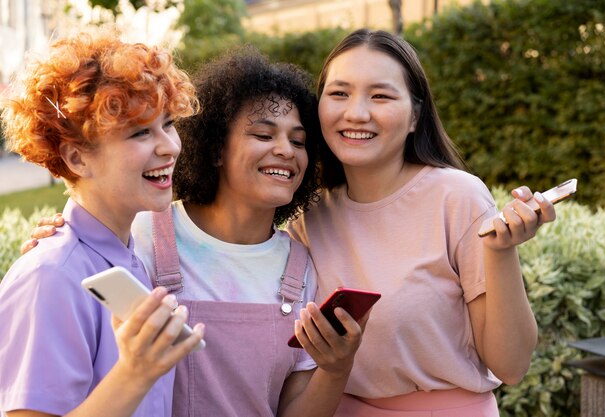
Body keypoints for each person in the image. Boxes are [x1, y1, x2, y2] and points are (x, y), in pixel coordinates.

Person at [21, 46, 366, 417]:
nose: (285, 150)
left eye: (298, 142)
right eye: (263, 136)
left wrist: (336, 369)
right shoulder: (139, 238)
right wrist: (65, 242)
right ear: (216, 147)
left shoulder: (300, 268)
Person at [287, 29, 556, 416]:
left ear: (415, 115)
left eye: (380, 95)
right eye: (339, 93)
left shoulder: (457, 197)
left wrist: (500, 252)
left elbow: (511, 365)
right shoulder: (307, 215)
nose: (356, 112)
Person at [0, 31, 204, 417]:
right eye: (141, 132)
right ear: (77, 159)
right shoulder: (50, 276)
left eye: (168, 123)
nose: (170, 146)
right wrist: (135, 373)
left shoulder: (127, 259)